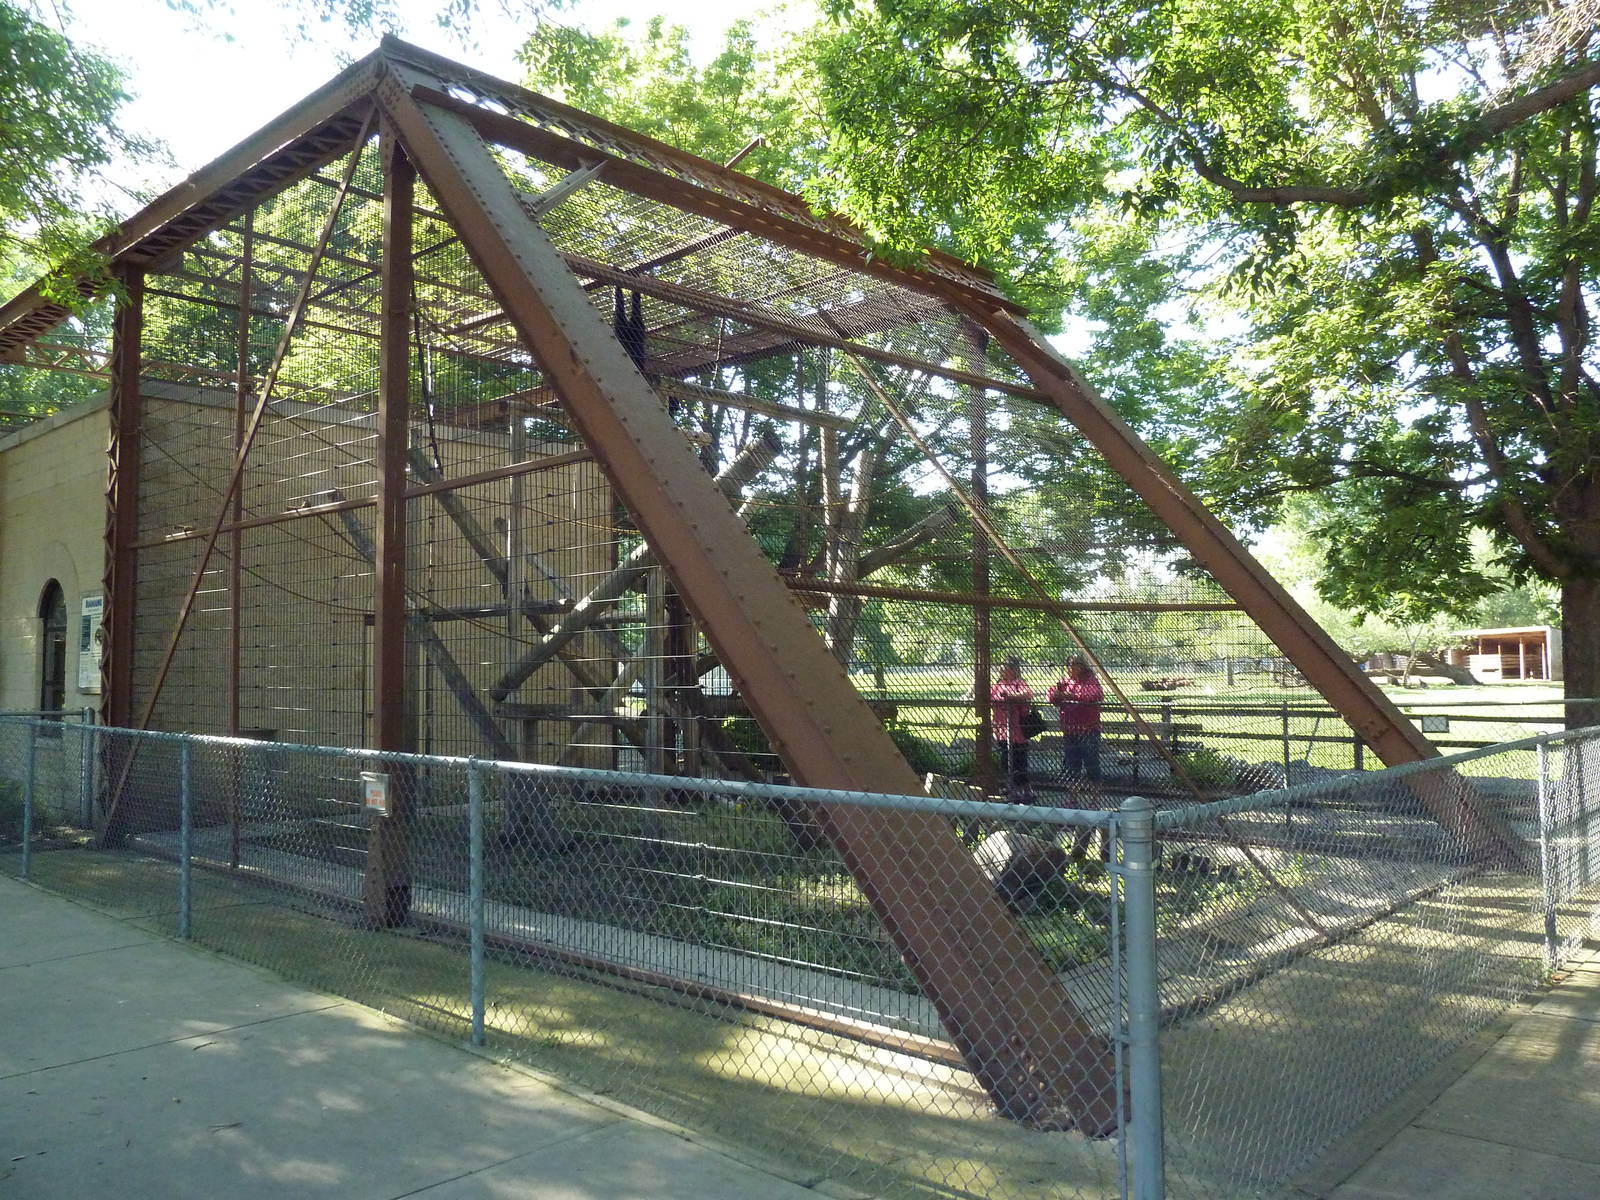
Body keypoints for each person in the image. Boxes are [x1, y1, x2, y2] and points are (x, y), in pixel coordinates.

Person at [1049, 656, 1104, 784]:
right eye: (1069, 665)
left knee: (1091, 764)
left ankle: (1095, 793)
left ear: (1082, 666)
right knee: (1071, 765)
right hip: (1070, 729)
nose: (1071, 668)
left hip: (1088, 730)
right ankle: (1073, 793)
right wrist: (1056, 695)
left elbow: (1094, 695)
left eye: (1074, 665)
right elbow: (1051, 695)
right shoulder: (1065, 682)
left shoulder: (1090, 680)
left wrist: (1071, 696)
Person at [990, 656, 1035, 801]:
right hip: (1002, 730)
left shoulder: (1019, 683)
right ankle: (1013, 790)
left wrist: (1011, 696)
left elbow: (1028, 694)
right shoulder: (997, 685)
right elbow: (989, 697)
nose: (1003, 670)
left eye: (1006, 667)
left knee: (1019, 763)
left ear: (1014, 670)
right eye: (1002, 667)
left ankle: (1026, 790)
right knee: (1006, 761)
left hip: (1018, 732)